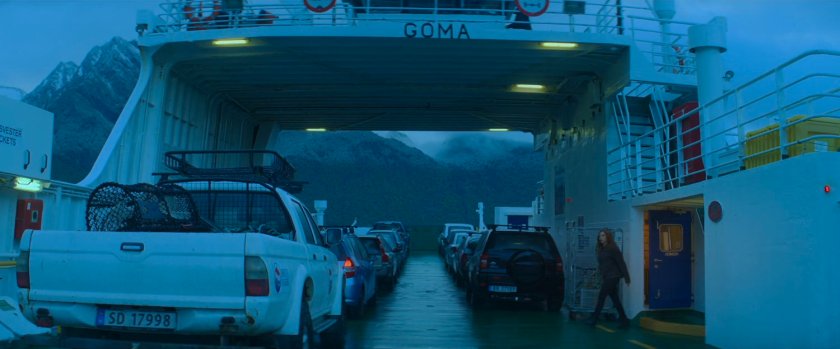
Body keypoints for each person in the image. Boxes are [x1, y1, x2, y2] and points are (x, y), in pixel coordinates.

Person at [587, 228, 631, 328]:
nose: (600, 238)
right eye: (600, 236)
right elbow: (603, 264)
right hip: (607, 276)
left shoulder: (613, 248)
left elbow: (621, 263)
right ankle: (624, 319)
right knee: (615, 299)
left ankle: (594, 318)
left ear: (608, 237)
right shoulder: (602, 249)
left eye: (603, 236)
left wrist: (627, 278)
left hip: (613, 276)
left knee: (602, 296)